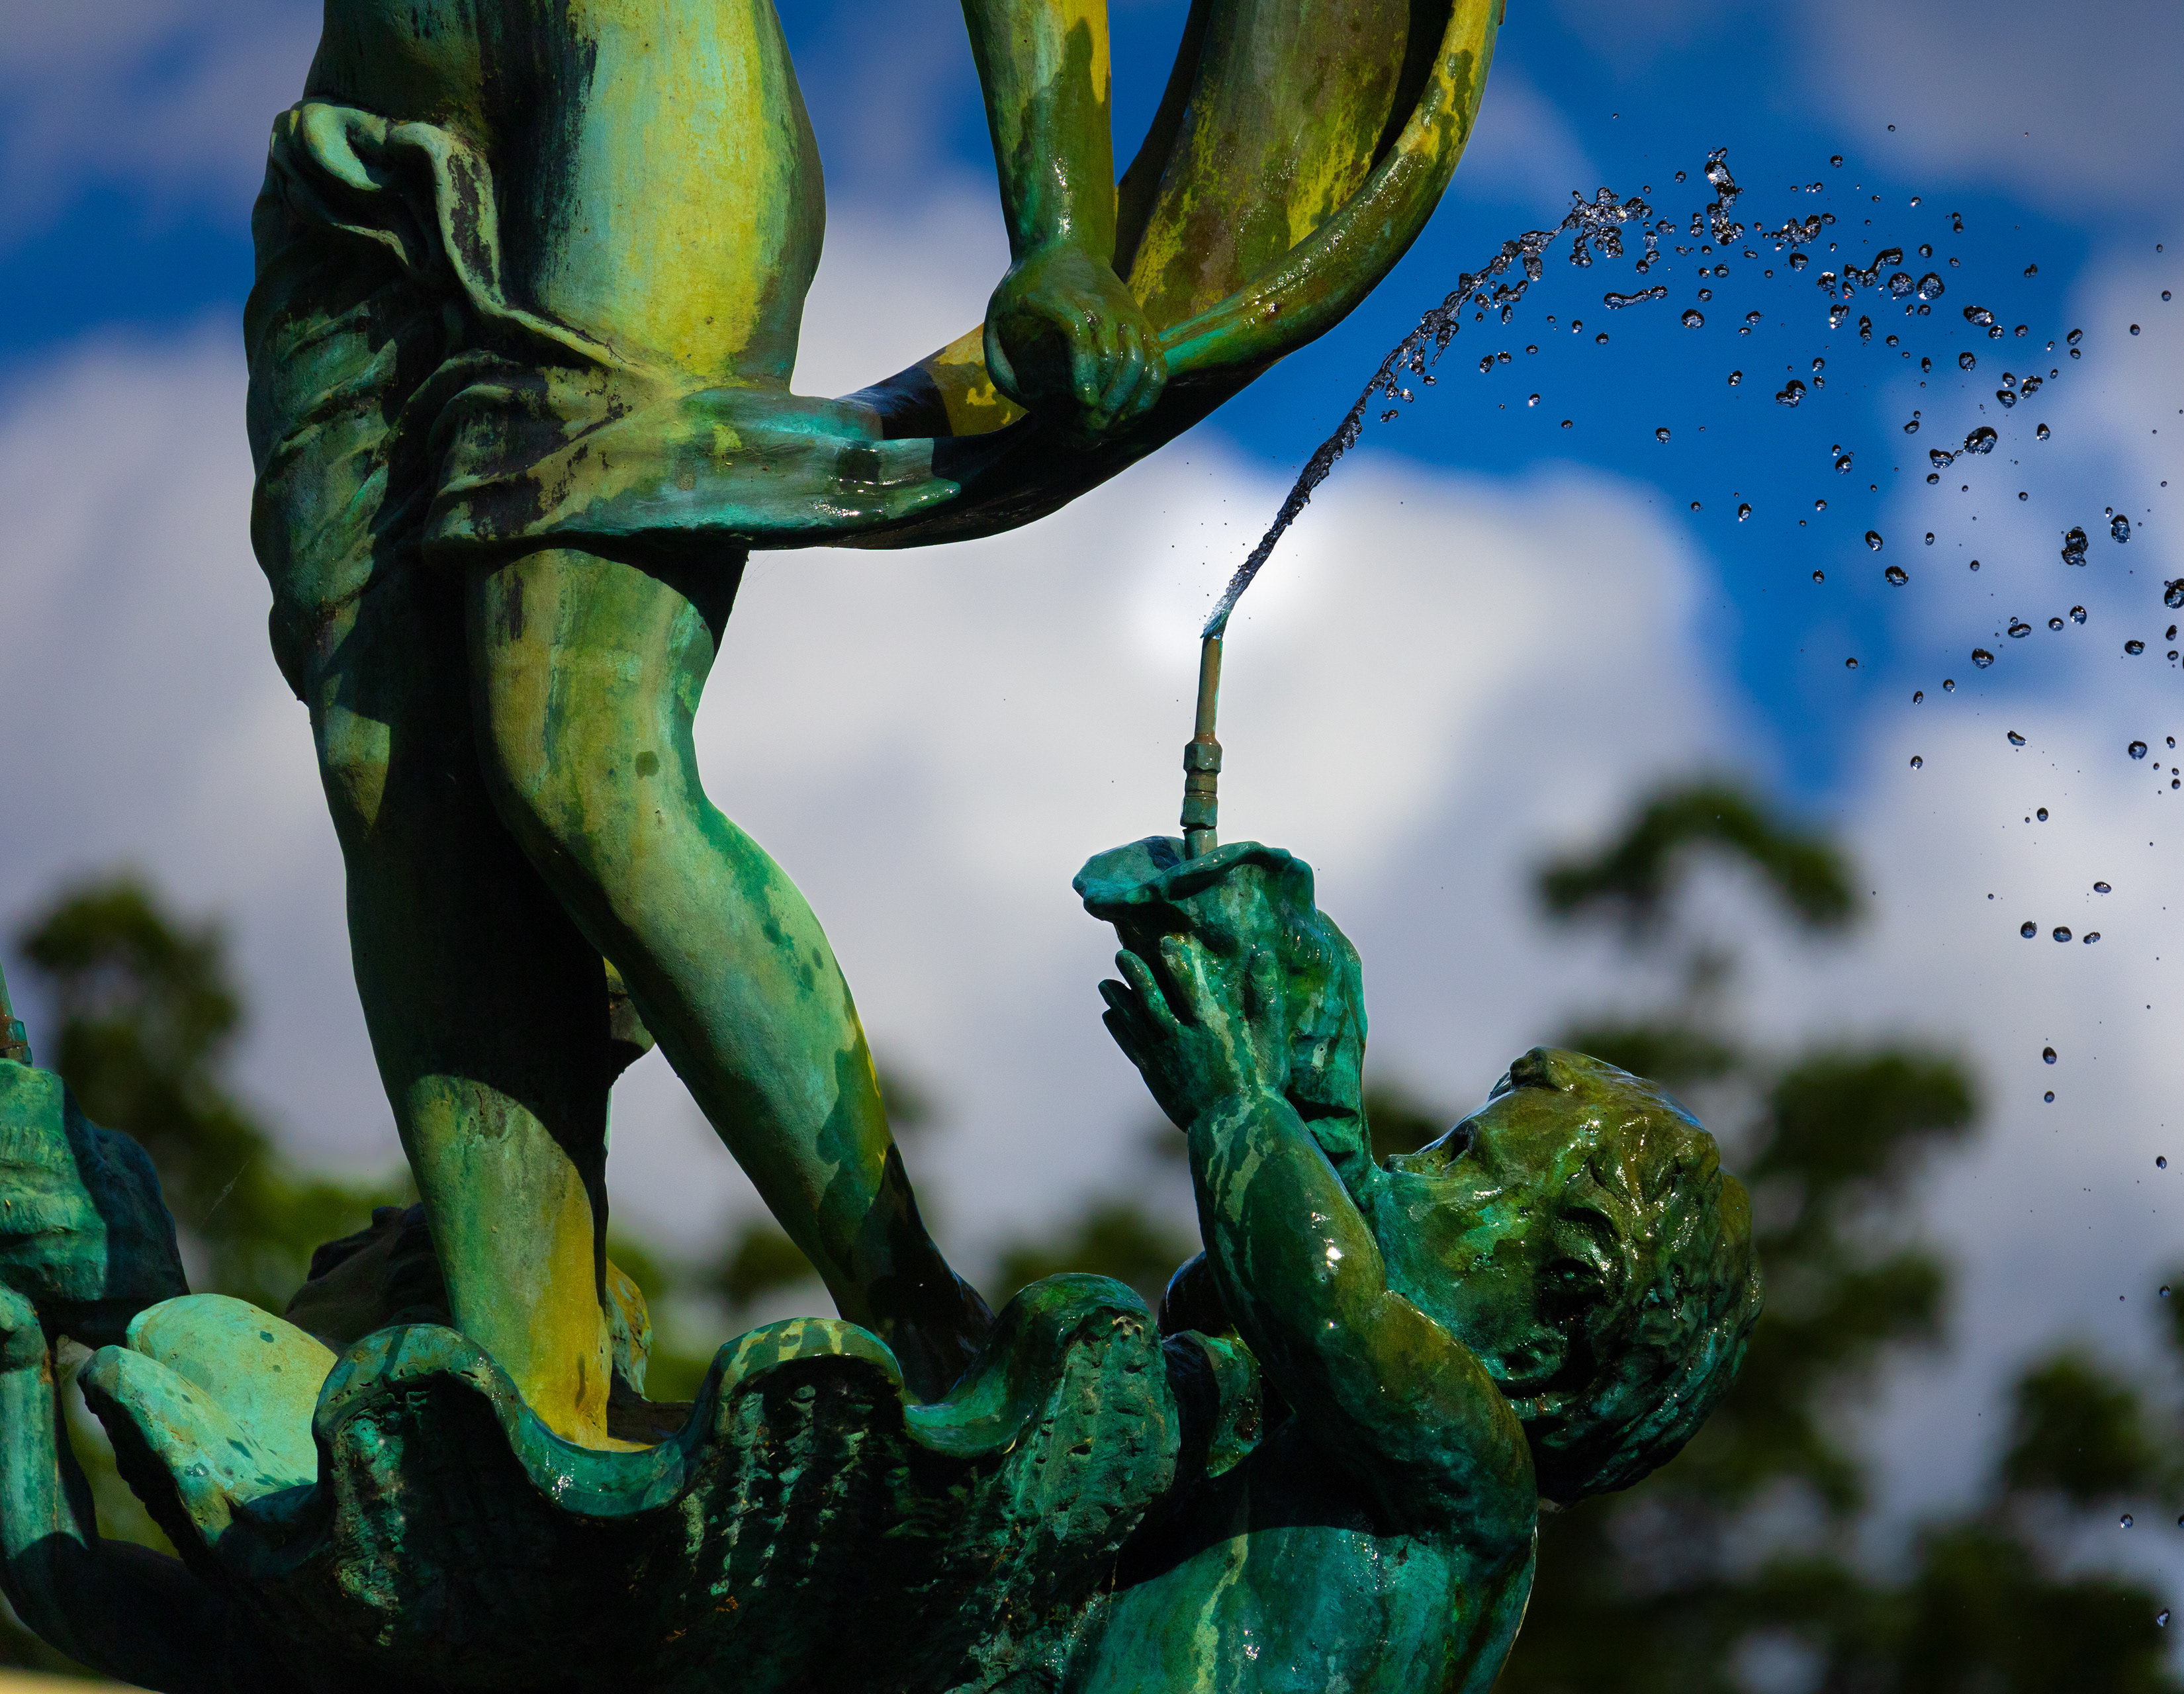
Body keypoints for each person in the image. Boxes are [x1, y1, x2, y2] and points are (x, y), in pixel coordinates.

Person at [246, 0, 1161, 1442]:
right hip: (355, 160)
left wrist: (1059, 228)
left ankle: (921, 1329)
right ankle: (529, 1411)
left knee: (574, 752)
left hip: (641, 99)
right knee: (389, 773)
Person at [1069, 842, 1764, 1692]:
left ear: (1543, 1338)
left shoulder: (1478, 1470)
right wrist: (1306, 1038)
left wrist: (1235, 1107)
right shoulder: (1344, 1433)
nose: (1407, 1167)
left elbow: (1329, 1309)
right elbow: (1308, 1220)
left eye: (1459, 1159)